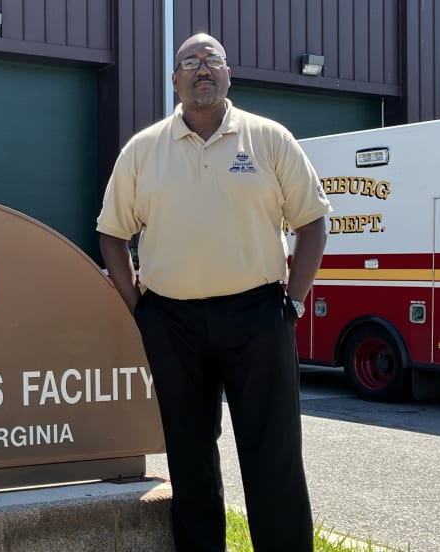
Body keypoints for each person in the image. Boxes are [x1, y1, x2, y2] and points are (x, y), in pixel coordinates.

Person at [96, 33, 331, 551]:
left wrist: (292, 300)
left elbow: (312, 223)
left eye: (212, 61)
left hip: (258, 318)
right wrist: (141, 311)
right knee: (190, 454)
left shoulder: (269, 139)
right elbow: (111, 233)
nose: (202, 69)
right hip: (172, 324)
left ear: (229, 75)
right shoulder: (143, 150)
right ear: (174, 80)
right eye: (190, 63)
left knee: (273, 455)